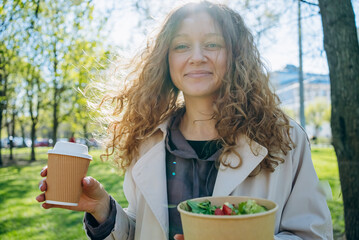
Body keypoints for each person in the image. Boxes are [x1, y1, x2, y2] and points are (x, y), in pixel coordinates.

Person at [36, 1, 333, 239]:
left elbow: (313, 234)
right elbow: (144, 229)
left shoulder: (284, 138)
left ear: (236, 55)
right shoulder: (148, 140)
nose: (197, 56)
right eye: (181, 46)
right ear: (166, 59)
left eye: (212, 44)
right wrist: (105, 210)